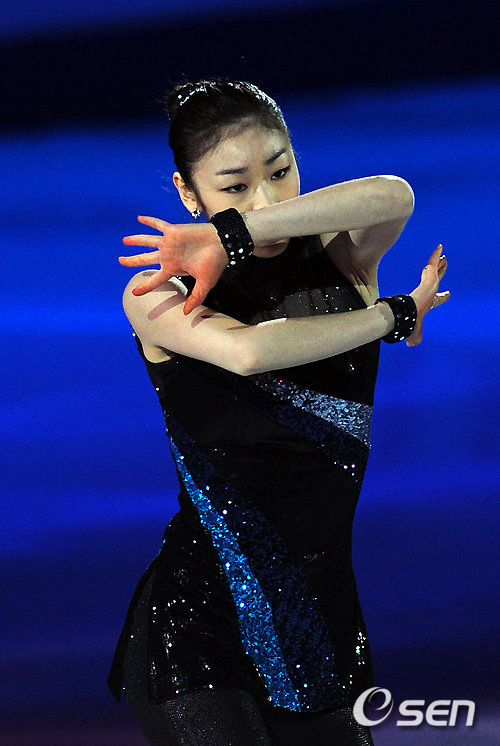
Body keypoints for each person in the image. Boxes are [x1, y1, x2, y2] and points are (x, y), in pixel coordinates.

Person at [107, 79, 449, 745]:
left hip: (322, 627)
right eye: (234, 186)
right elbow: (249, 353)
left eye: (281, 171)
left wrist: (237, 229)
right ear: (188, 193)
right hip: (202, 628)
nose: (266, 199)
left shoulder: (344, 260)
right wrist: (394, 314)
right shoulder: (157, 292)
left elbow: (395, 196)